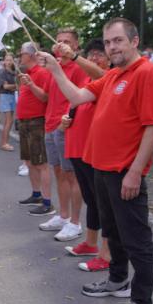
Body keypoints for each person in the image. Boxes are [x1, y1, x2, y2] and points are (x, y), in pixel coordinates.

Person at [39, 17, 153, 304]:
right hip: (101, 168)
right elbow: (77, 97)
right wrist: (56, 69)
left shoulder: (147, 72)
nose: (112, 47)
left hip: (124, 171)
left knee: (136, 238)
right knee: (114, 232)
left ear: (134, 41)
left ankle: (142, 303)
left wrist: (135, 171)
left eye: (118, 41)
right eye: (108, 42)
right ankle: (118, 279)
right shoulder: (113, 75)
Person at [60, 39, 112, 273]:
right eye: (91, 55)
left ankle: (106, 252)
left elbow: (101, 72)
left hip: (95, 152)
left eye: (99, 54)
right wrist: (66, 120)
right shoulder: (88, 80)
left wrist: (72, 58)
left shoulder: (107, 78)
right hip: (78, 149)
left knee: (104, 205)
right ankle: (91, 243)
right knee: (92, 201)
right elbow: (75, 102)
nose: (94, 59)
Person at [36, 28, 88, 242]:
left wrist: (67, 119)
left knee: (72, 175)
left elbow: (82, 97)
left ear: (75, 45)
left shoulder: (79, 67)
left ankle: (75, 222)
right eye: (58, 41)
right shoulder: (52, 67)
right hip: (51, 126)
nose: (61, 45)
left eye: (66, 41)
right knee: (59, 173)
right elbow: (47, 96)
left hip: (68, 127)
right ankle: (63, 215)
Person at [16, 42, 54, 215]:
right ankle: (36, 194)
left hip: (36, 122)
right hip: (25, 122)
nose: (19, 56)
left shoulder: (41, 72)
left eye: (22, 53)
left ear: (31, 55)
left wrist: (31, 84)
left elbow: (45, 97)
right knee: (30, 161)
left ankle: (47, 202)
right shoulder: (28, 74)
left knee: (41, 163)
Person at [0, 54, 17, 151]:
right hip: (5, 96)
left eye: (10, 60)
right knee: (9, 121)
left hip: (11, 96)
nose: (9, 62)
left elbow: (11, 86)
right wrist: (16, 86)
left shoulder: (13, 72)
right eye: (7, 60)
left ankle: (5, 142)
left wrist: (13, 86)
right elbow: (5, 87)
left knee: (9, 121)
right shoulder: (3, 72)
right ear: (4, 61)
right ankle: (4, 143)